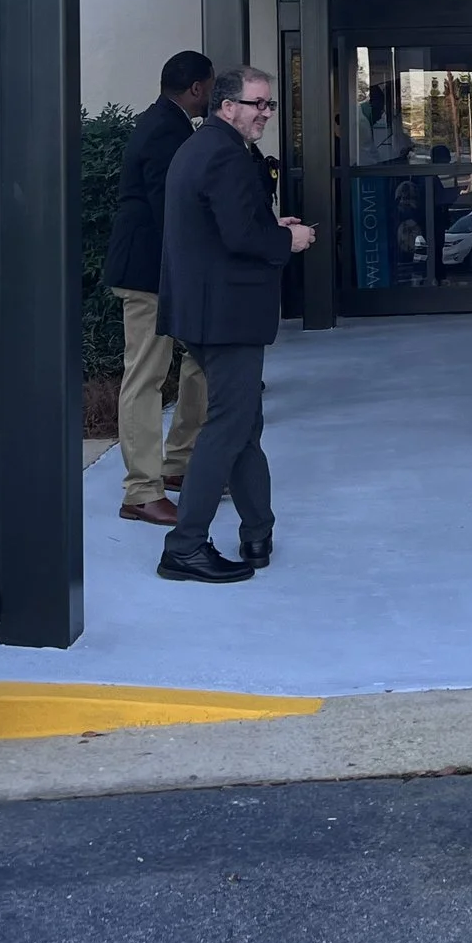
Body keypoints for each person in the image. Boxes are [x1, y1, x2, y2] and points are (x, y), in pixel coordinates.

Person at [154, 66, 318, 582]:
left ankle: (257, 533)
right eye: (257, 104)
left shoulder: (206, 148)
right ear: (227, 106)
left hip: (208, 311)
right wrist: (286, 241)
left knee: (244, 423)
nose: (265, 113)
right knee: (229, 425)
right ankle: (184, 547)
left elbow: (226, 225)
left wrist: (270, 226)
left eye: (269, 105)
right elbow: (238, 238)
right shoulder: (225, 154)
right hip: (225, 316)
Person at [103, 50, 213, 527]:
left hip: (168, 270)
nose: (211, 95)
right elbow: (170, 205)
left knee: (200, 361)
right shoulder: (164, 129)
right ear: (196, 88)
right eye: (210, 87)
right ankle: (141, 491)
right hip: (148, 273)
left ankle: (179, 465)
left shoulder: (167, 122)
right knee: (146, 377)